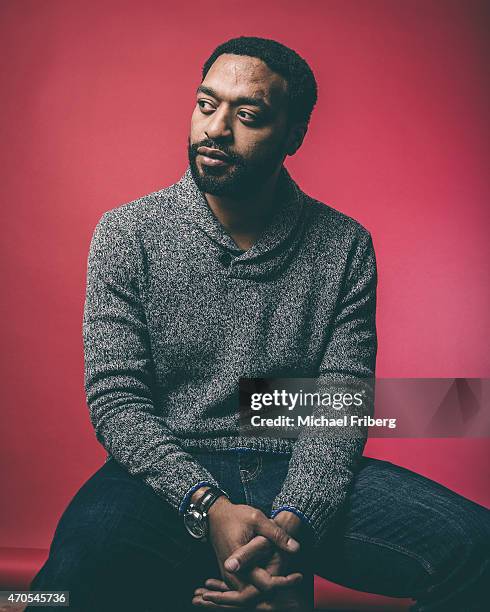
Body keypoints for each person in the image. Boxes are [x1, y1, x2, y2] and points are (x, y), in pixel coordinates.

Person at [27, 36, 489, 612]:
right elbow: (117, 401)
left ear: (293, 136)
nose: (216, 129)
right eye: (206, 104)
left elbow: (340, 403)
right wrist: (208, 506)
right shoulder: (128, 233)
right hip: (164, 474)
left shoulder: (342, 245)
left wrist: (293, 525)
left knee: (480, 550)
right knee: (50, 593)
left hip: (293, 465)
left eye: (247, 115)